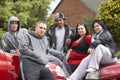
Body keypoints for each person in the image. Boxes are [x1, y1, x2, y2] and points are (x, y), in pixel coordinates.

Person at [46, 12, 74, 77]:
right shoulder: (50, 30)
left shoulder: (70, 30)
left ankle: (70, 76)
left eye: (60, 20)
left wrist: (70, 37)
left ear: (63, 20)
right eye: (57, 20)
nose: (59, 22)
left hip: (64, 53)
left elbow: (77, 33)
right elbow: (46, 40)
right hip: (53, 53)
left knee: (65, 67)